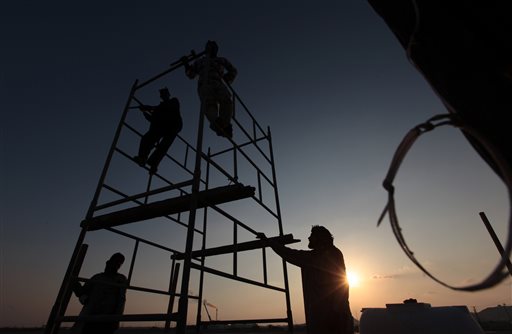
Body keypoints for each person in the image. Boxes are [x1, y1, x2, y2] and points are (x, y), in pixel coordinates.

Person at [258, 226, 354, 334]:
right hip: (336, 317)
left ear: (320, 239)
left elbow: (290, 254)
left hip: (329, 319)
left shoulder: (320, 256)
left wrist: (269, 241)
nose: (308, 238)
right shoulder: (334, 253)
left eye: (312, 236)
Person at [183, 40, 237, 138]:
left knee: (227, 100)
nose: (211, 49)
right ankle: (217, 124)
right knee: (209, 105)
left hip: (217, 81)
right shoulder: (200, 61)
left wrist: (227, 78)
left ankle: (225, 124)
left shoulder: (221, 60)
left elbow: (233, 70)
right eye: (209, 47)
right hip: (204, 84)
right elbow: (191, 74)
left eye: (213, 47)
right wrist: (186, 64)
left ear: (216, 50)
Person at [72, 253, 128, 334]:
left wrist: (116, 319)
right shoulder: (97, 277)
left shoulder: (120, 279)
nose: (116, 265)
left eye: (119, 263)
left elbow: (121, 301)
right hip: (91, 317)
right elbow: (81, 292)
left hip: (107, 319)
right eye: (114, 262)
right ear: (108, 262)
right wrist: (75, 283)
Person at [134, 87, 183, 174]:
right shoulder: (160, 108)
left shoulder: (174, 101)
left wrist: (149, 108)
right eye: (162, 95)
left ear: (168, 94)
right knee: (147, 138)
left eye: (165, 94)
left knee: (163, 145)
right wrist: (147, 115)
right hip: (163, 126)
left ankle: (154, 165)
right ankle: (143, 158)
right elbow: (155, 118)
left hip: (173, 126)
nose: (163, 96)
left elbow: (165, 107)